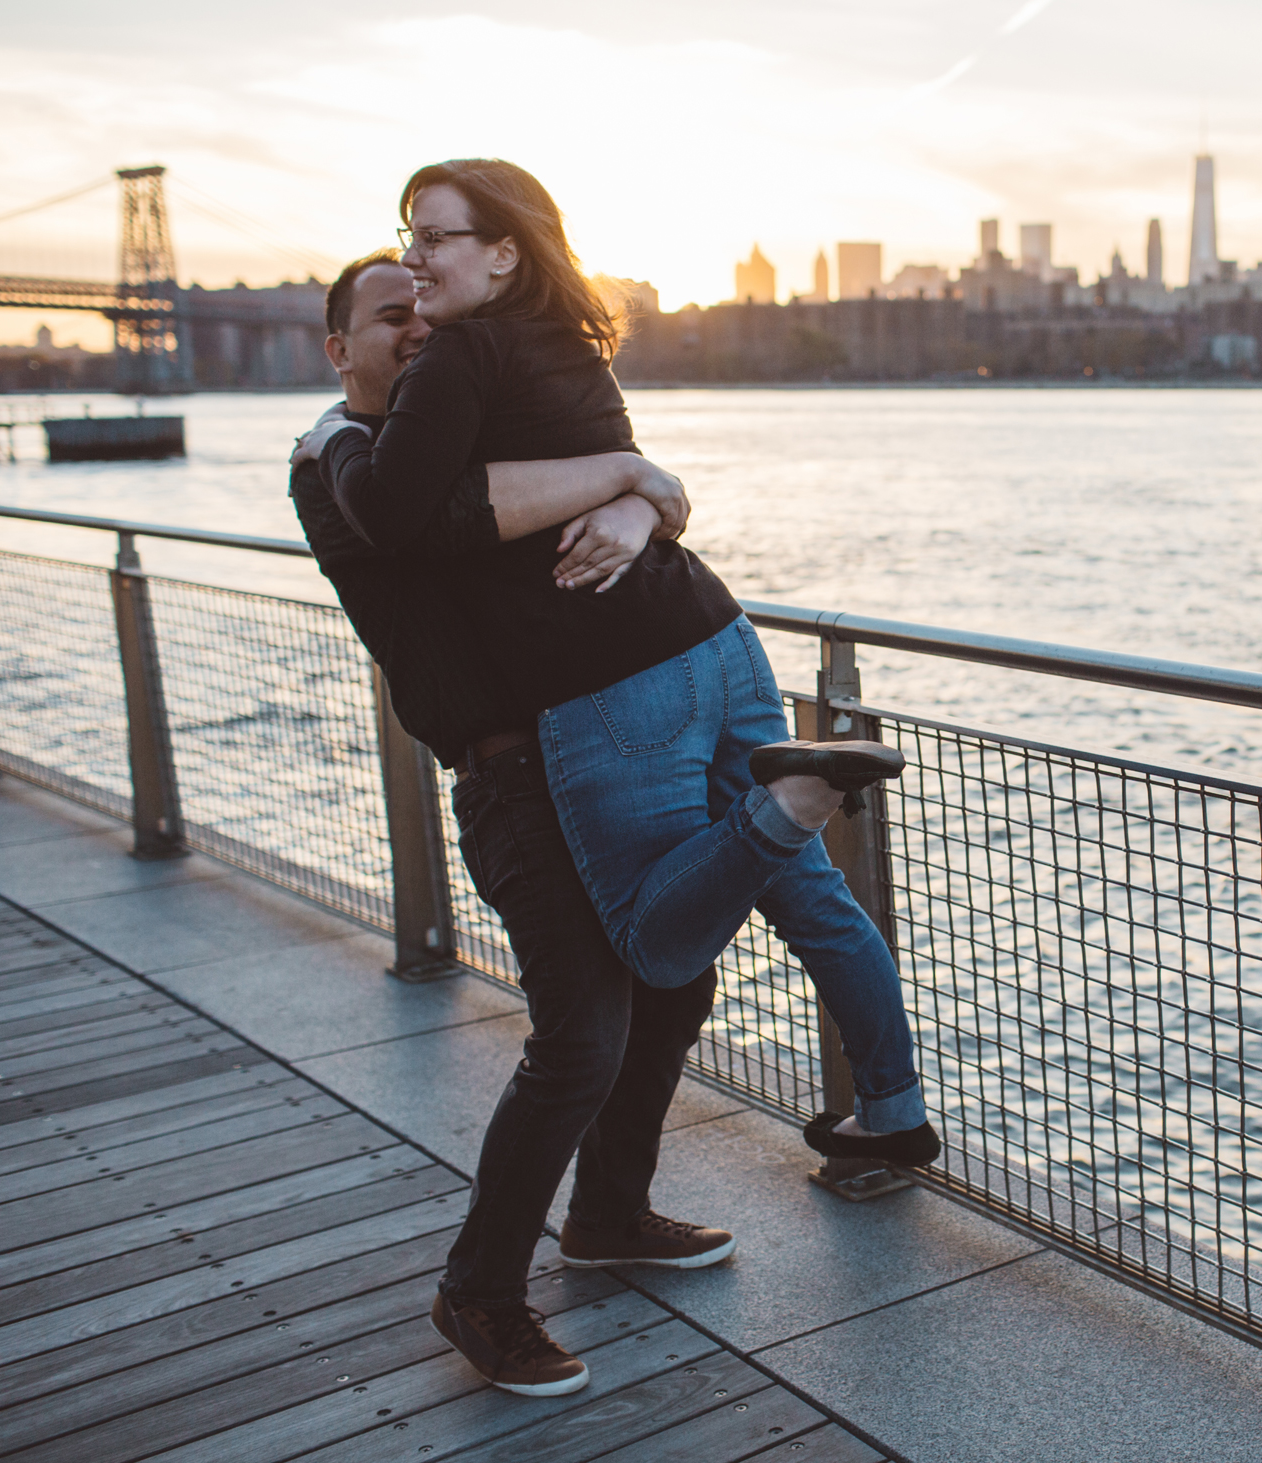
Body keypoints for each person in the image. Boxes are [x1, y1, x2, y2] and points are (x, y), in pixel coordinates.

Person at [295, 160, 938, 1172]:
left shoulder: (456, 357)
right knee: (814, 901)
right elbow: (629, 474)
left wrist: (334, 432)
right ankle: (893, 1114)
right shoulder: (572, 348)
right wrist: (639, 489)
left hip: (614, 673)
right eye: (407, 234)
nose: (415, 256)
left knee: (653, 944)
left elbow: (399, 514)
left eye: (434, 236)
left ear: (504, 250)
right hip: (716, 637)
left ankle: (793, 798)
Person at [292, 250, 736, 1399]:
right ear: (338, 352)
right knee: (580, 1033)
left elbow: (655, 500)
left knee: (678, 982)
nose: (417, 330)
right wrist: (625, 476)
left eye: (426, 309)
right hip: (507, 778)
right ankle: (479, 1289)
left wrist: (639, 493)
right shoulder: (336, 460)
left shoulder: (473, 450)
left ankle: (607, 1211)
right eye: (389, 319)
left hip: (595, 755)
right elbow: (414, 529)